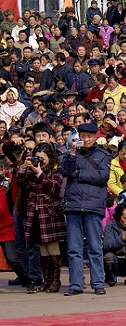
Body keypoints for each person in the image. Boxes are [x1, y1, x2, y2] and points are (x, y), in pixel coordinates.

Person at [61, 122, 112, 296]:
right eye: (83, 136)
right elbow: (66, 171)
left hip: (93, 205)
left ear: (95, 137)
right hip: (74, 204)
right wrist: (72, 152)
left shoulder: (103, 155)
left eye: (90, 136)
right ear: (78, 137)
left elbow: (102, 176)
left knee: (95, 247)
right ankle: (76, 284)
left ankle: (98, 283)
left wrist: (79, 174)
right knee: (74, 248)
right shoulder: (71, 154)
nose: (86, 139)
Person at [15, 141, 66, 293]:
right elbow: (20, 182)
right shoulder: (31, 170)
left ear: (50, 158)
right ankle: (47, 280)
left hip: (50, 213)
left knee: (52, 246)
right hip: (34, 212)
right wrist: (23, 168)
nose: (39, 161)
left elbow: (53, 187)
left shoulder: (56, 171)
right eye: (37, 158)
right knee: (41, 247)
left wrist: (39, 172)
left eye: (42, 158)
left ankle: (56, 280)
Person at [0, 159, 36, 293]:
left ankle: (27, 280)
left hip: (4, 229)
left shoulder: (1, 190)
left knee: (12, 259)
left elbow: (1, 209)